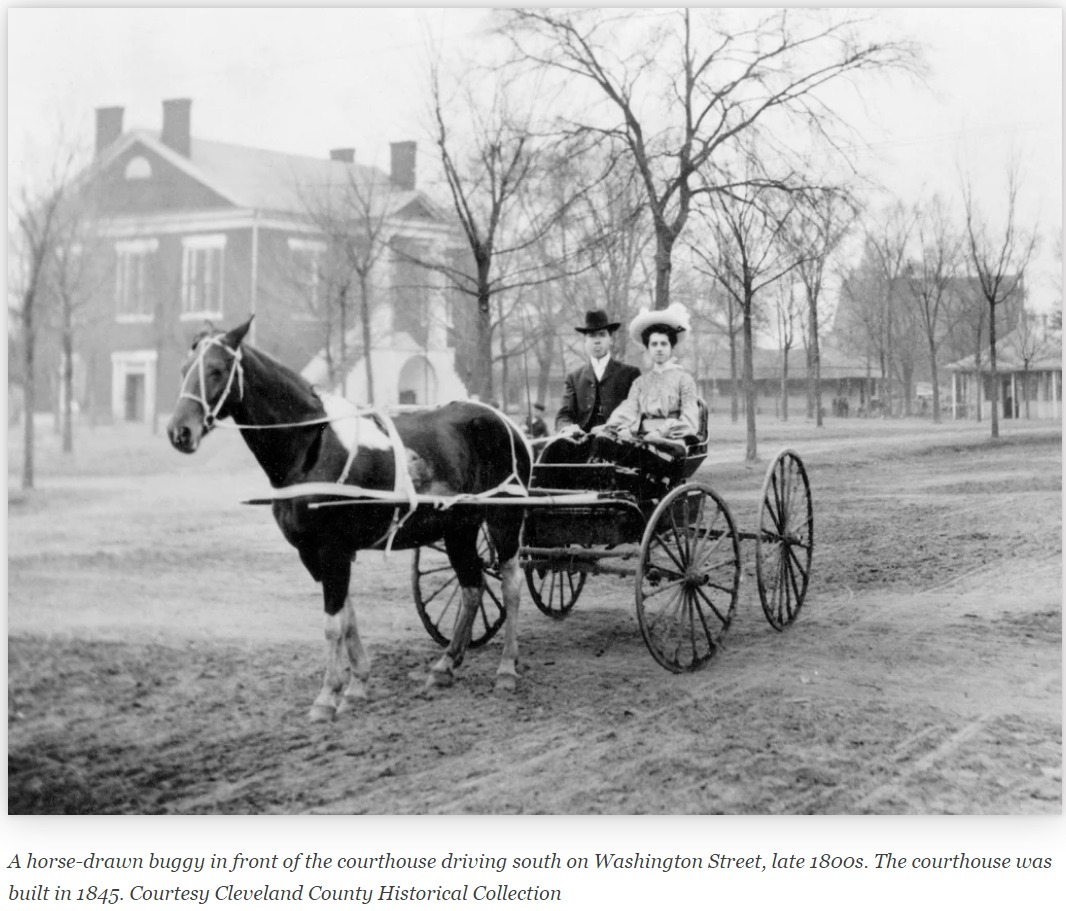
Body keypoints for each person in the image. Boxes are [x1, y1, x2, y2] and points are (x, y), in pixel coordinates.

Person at [601, 303, 700, 445]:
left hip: (672, 438)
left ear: (671, 347)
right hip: (642, 438)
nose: (659, 349)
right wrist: (620, 427)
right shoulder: (640, 382)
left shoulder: (684, 379)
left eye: (663, 344)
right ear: (647, 349)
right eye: (654, 344)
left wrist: (664, 431)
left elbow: (690, 416)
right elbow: (628, 410)